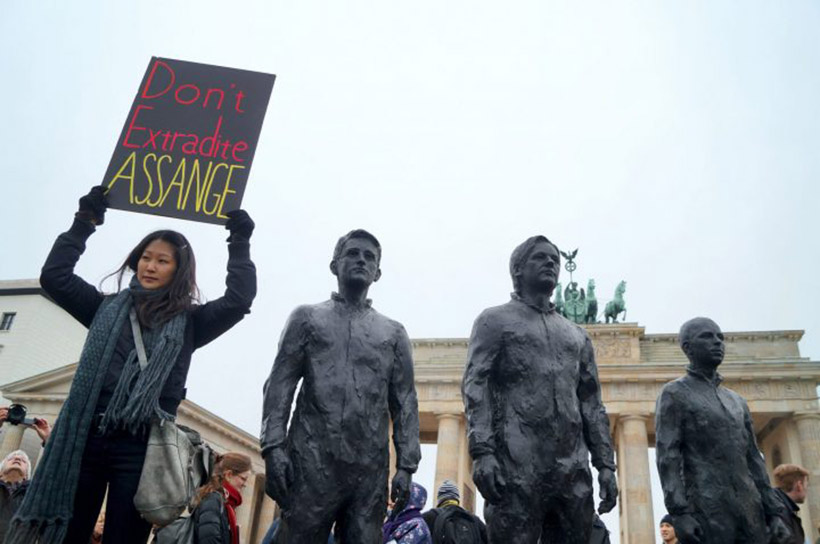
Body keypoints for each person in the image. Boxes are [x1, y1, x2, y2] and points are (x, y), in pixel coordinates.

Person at [7, 186, 256, 544]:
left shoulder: (191, 322)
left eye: (162, 261)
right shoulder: (104, 308)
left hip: (143, 448)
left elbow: (238, 300)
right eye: (146, 257)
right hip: (86, 437)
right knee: (68, 534)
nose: (150, 266)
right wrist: (84, 222)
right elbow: (54, 277)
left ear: (178, 269)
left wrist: (239, 243)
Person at [261, 229, 421, 543]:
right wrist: (273, 447)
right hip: (311, 458)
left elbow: (405, 402)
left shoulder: (393, 333)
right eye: (353, 253)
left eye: (369, 257)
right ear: (334, 265)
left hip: (369, 468)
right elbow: (279, 385)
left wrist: (406, 466)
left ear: (378, 273)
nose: (361, 260)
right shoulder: (306, 318)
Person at [461, 236, 617, 544]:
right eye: (540, 257)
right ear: (518, 270)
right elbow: (475, 385)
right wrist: (482, 452)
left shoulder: (577, 335)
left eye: (555, 260)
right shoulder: (494, 321)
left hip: (572, 469)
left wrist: (605, 464)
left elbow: (592, 404)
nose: (551, 263)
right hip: (515, 463)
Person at [655, 317, 791, 544]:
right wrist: (679, 513)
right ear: (687, 347)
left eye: (720, 337)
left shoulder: (737, 401)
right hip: (706, 509)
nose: (718, 342)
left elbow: (754, 459)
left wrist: (774, 511)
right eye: (707, 337)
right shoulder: (674, 393)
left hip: (751, 510)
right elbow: (667, 457)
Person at [0, 408, 52, 540]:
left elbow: (57, 475)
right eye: (11, 458)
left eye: (23, 461)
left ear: (26, 476)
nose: (17, 459)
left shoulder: (35, 495)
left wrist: (49, 440)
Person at [193, 452, 252, 544]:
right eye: (243, 479)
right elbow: (209, 540)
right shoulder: (213, 500)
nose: (245, 484)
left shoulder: (224, 503)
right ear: (229, 475)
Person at [421, 479, 487, 544]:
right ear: (457, 498)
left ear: (440, 498)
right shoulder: (474, 520)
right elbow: (490, 538)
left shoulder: (430, 517)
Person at [771, 464, 809, 544]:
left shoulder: (775, 507)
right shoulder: (783, 513)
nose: (806, 491)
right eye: (806, 486)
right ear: (799, 485)